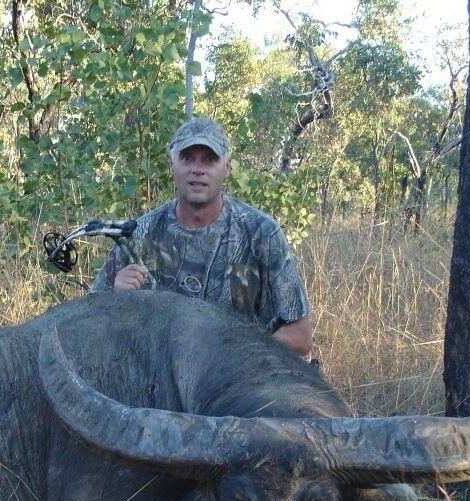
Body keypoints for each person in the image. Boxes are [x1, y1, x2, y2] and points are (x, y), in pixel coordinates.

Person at [89, 116, 313, 356]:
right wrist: (116, 298)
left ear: (226, 167)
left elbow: (300, 338)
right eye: (187, 158)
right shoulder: (139, 234)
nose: (197, 170)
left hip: (237, 376)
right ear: (172, 165)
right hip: (157, 375)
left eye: (209, 160)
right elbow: (90, 323)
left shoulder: (262, 233)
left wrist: (232, 347)